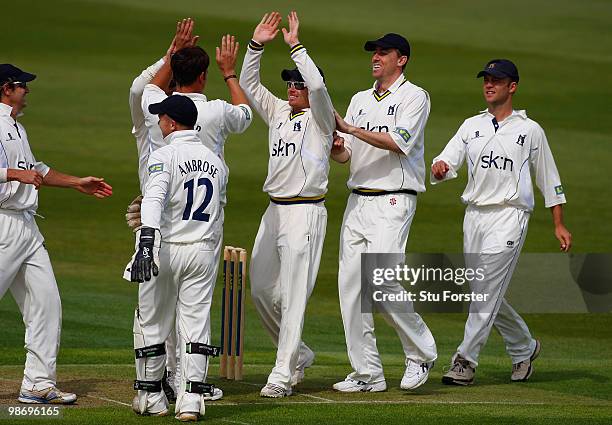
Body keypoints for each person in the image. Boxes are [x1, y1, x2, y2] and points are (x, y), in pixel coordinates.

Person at [126, 18, 253, 401]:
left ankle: (155, 386)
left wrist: (172, 51)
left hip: (157, 212)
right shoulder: (214, 111)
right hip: (205, 221)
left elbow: (144, 87)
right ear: (203, 76)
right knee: (193, 312)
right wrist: (231, 73)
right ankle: (190, 389)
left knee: (154, 310)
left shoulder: (152, 106)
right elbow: (245, 115)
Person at [431, 59, 572, 385]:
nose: (489, 85)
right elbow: (446, 159)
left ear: (512, 86)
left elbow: (549, 178)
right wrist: (441, 167)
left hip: (510, 215)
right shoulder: (471, 125)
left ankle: (464, 361)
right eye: (486, 79)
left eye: (497, 80)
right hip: (474, 216)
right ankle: (524, 347)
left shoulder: (529, 130)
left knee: (485, 292)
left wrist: (558, 223)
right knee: (482, 291)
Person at [0, 64, 113, 404]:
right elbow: (19, 174)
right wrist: (11, 174)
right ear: (6, 88)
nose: (28, 91)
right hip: (2, 223)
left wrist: (77, 182)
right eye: (23, 86)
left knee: (47, 303)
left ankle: (37, 383)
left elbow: (36, 171)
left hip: (27, 226)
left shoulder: (16, 127)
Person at [331, 33, 437, 392]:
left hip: (394, 198)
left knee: (381, 282)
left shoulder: (414, 96)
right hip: (357, 200)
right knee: (350, 287)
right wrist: (336, 146)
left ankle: (421, 352)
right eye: (374, 52)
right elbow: (346, 153)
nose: (376, 57)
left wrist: (350, 129)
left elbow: (399, 143)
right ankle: (367, 374)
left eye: (383, 52)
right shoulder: (360, 99)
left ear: (401, 59)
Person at [239, 11, 334, 398]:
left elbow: (318, 85)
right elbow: (248, 84)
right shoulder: (279, 112)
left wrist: (296, 47)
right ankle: (298, 353)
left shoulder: (323, 119)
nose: (293, 88)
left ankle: (281, 374)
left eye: (297, 84)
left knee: (293, 296)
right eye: (290, 84)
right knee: (261, 289)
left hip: (306, 211)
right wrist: (256, 46)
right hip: (273, 210)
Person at [130, 95, 227, 421]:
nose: (158, 122)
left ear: (171, 122)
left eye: (161, 118)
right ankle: (191, 402)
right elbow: (218, 212)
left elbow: (154, 199)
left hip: (166, 249)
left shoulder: (163, 155)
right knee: (196, 324)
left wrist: (146, 243)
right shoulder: (216, 160)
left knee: (152, 322)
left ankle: (151, 397)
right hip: (201, 250)